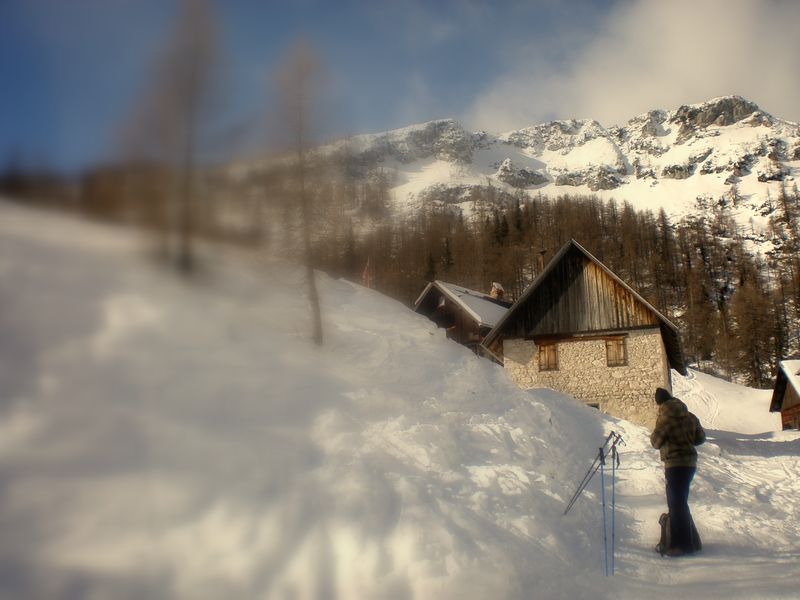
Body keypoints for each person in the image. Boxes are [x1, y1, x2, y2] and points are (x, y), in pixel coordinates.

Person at [650, 387, 706, 556]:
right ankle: (692, 541)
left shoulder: (665, 418)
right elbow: (700, 438)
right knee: (681, 501)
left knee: (676, 503)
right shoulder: (689, 415)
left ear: (660, 403)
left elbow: (655, 442)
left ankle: (683, 545)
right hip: (690, 464)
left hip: (674, 464)